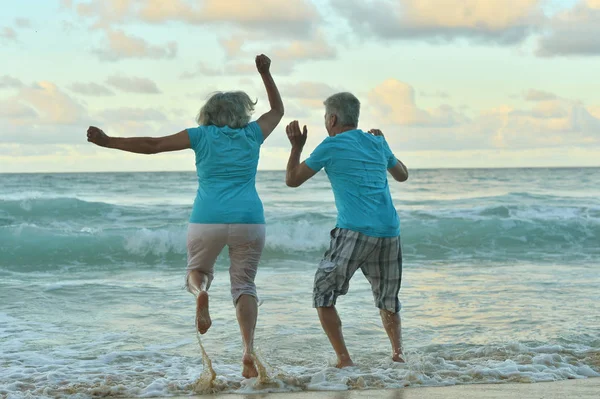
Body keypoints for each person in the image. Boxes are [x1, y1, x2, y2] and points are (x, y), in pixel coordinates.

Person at [86, 54, 284, 378]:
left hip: (207, 218)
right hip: (250, 219)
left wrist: (108, 142)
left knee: (198, 271)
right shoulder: (253, 134)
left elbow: (152, 144)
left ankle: (201, 292)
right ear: (241, 113)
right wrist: (266, 73)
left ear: (208, 115)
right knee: (244, 285)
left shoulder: (200, 136)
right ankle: (247, 350)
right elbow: (277, 110)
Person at [284, 92, 408, 368]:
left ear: (332, 118)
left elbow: (292, 180)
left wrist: (296, 146)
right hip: (389, 231)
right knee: (387, 298)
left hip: (354, 230)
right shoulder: (376, 142)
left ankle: (344, 359)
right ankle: (398, 354)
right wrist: (384, 143)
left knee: (323, 293)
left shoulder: (331, 145)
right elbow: (402, 174)